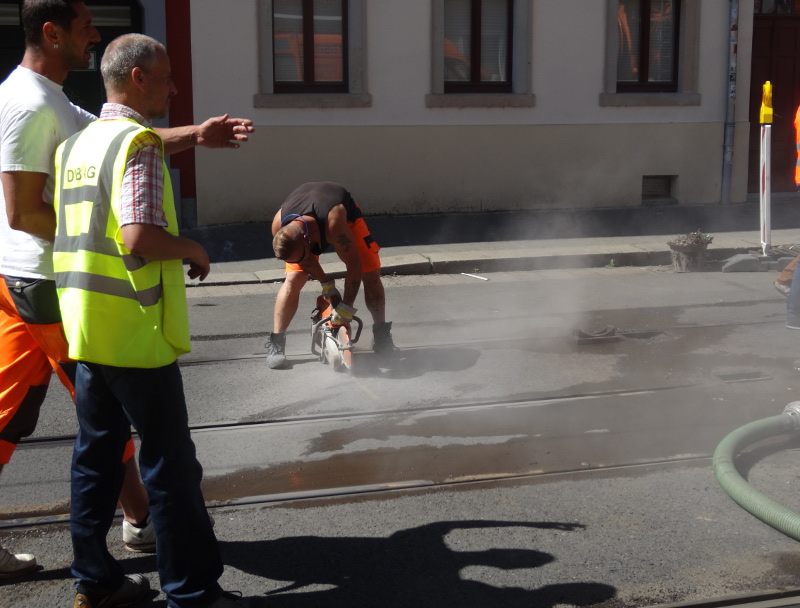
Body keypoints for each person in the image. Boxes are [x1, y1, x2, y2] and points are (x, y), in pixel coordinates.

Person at [0, 0, 253, 579]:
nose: (94, 35)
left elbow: (118, 139)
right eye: (85, 26)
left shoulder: (58, 105)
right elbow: (22, 212)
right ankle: (161, 549)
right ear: (51, 32)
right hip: (49, 287)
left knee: (33, 421)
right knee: (127, 430)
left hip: (41, 284)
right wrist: (126, 241)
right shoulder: (29, 104)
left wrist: (197, 134)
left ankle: (118, 546)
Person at [53, 33, 243, 607]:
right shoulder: (138, 144)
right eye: (166, 77)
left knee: (96, 459)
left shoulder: (75, 147)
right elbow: (137, 235)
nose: (174, 87)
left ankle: (95, 581)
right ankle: (192, 592)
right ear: (138, 78)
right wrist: (193, 249)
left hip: (87, 329)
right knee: (170, 466)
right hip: (136, 333)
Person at [265, 181, 397, 368]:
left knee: (370, 272)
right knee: (293, 278)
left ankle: (382, 337)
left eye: (302, 257)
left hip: (340, 217)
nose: (302, 262)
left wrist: (346, 308)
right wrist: (327, 284)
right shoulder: (279, 227)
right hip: (306, 220)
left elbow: (354, 266)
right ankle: (276, 343)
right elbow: (305, 260)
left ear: (307, 240)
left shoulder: (335, 223)